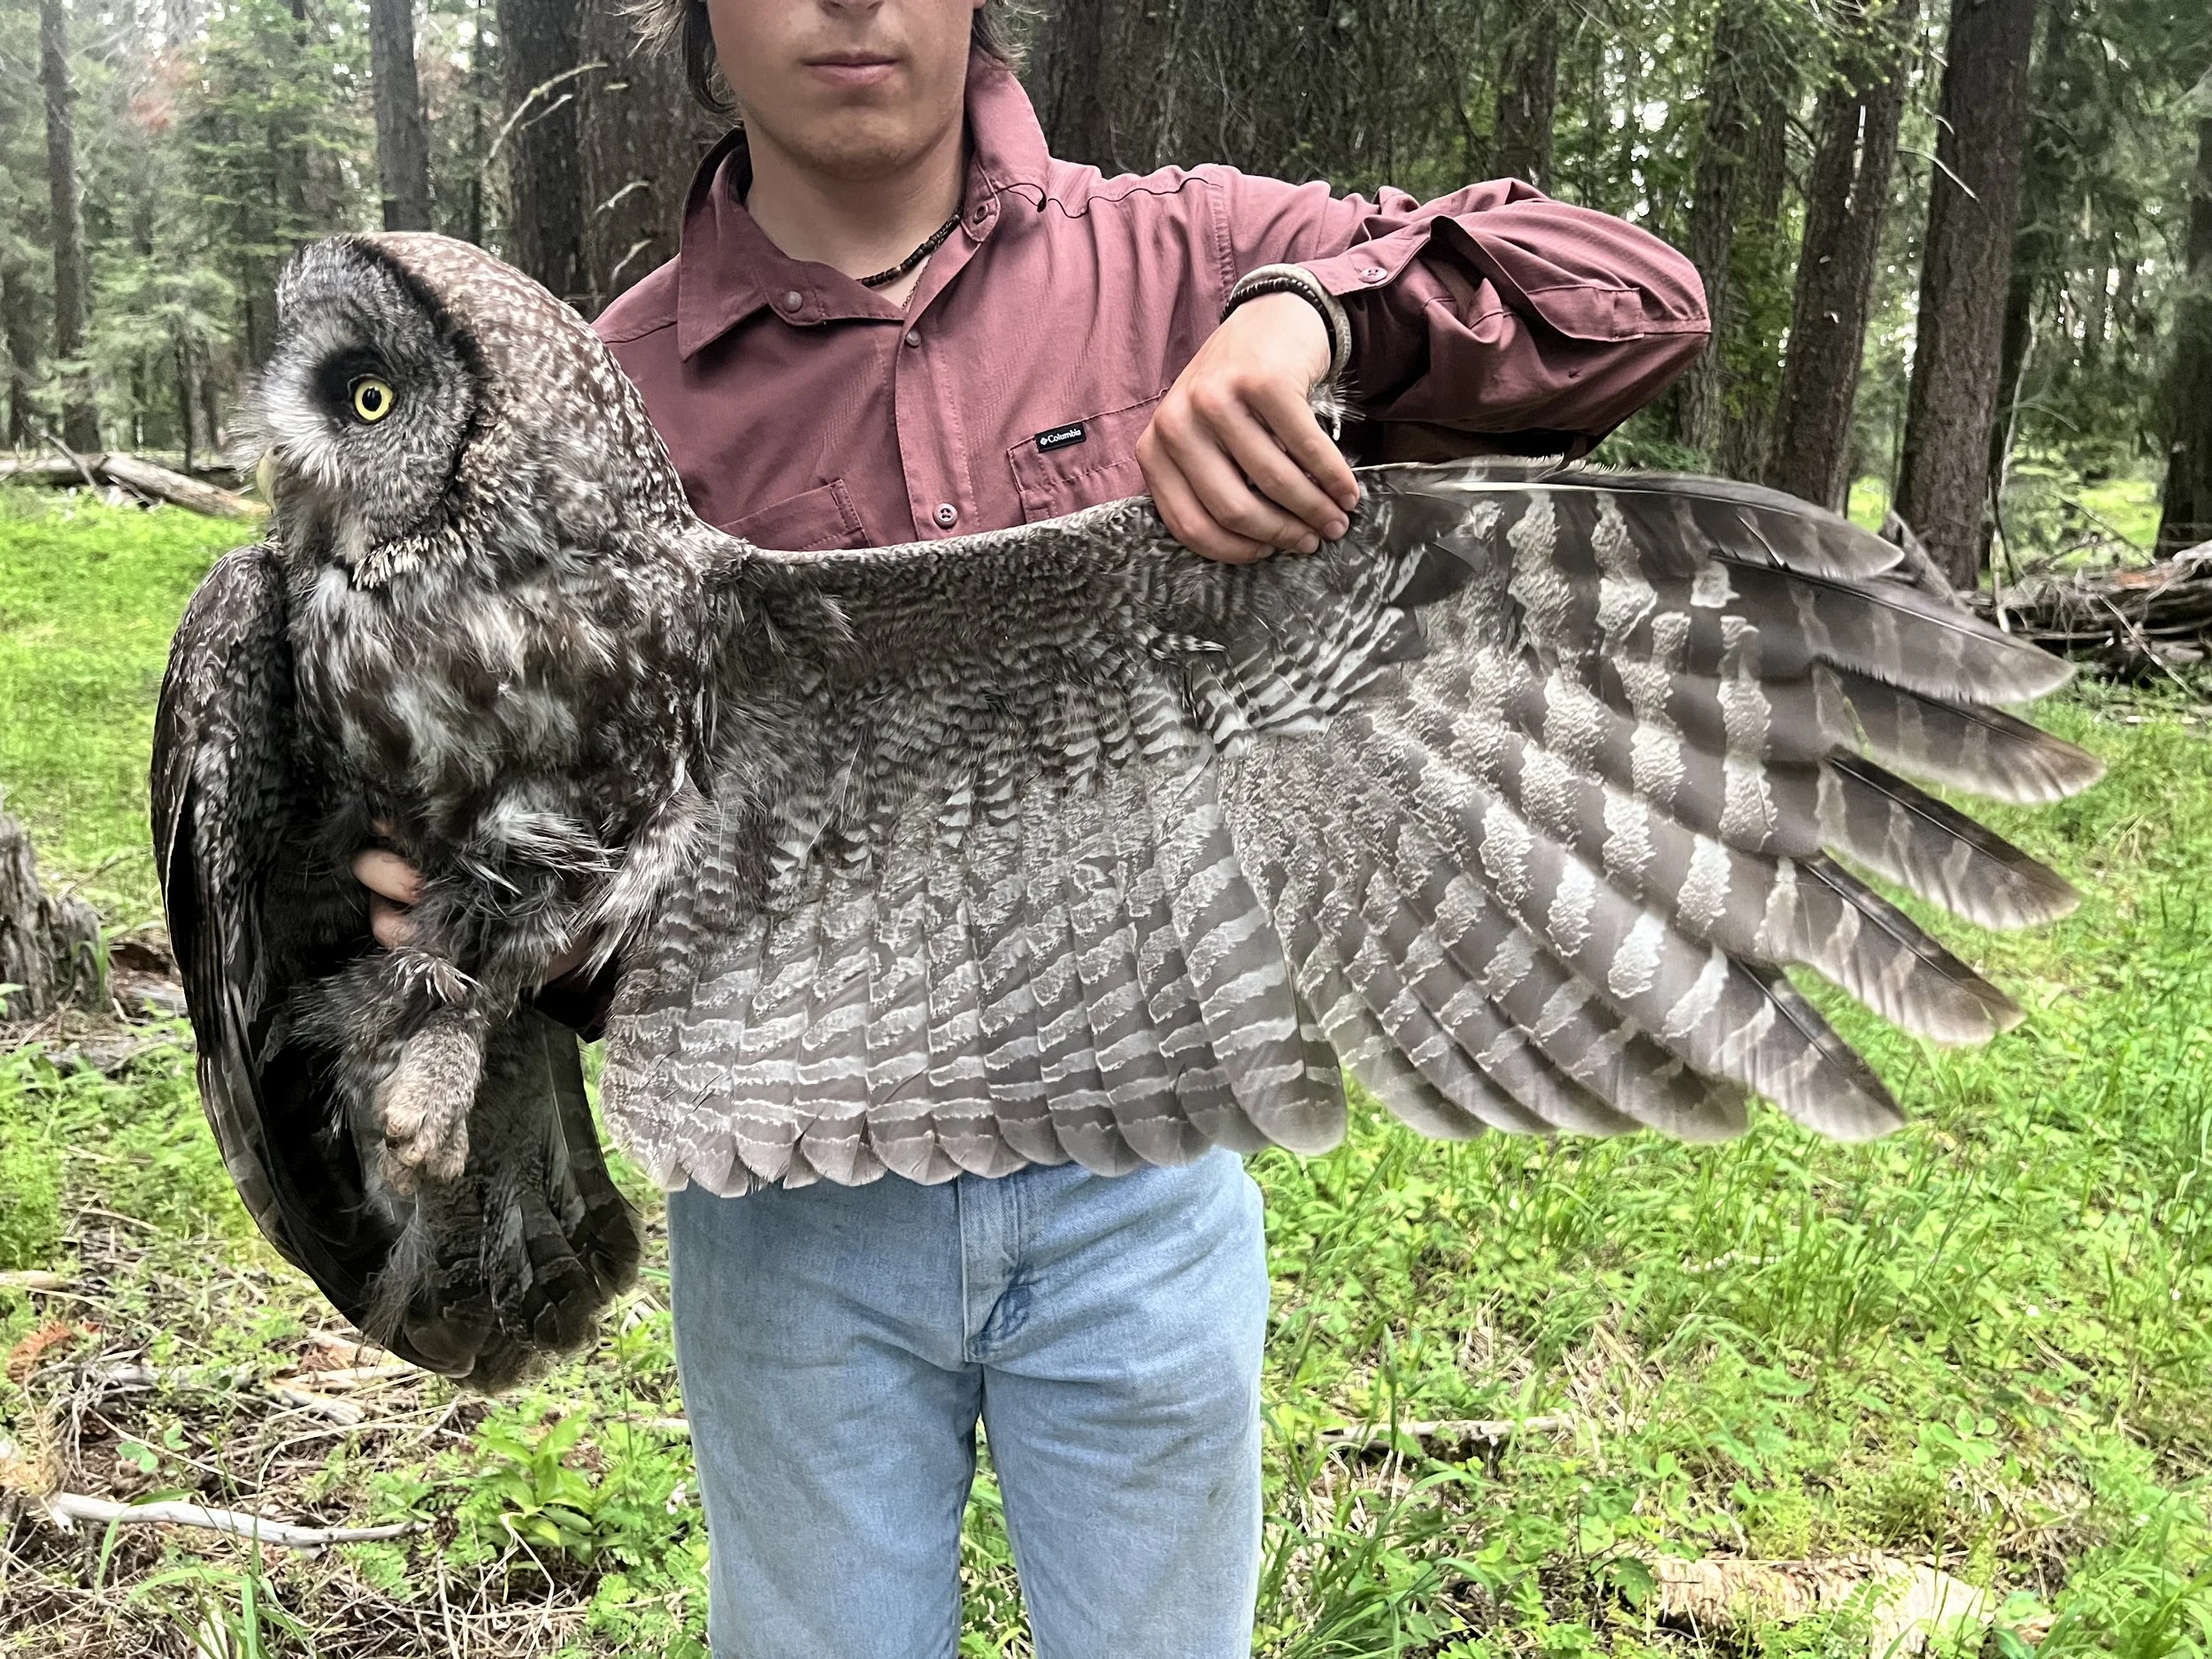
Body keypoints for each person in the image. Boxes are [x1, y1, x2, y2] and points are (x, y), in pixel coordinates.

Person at [354, 2, 1708, 1652]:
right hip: (794, 1213)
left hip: (1139, 1178)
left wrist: (1309, 324)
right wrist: (478, 920)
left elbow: (1634, 303)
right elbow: (558, 844)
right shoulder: (597, 411)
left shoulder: (1182, 262)